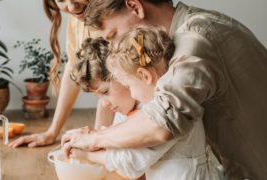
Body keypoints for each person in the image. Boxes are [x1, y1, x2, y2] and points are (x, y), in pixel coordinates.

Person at [61, 0, 267, 179]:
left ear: (134, 6)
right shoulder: (180, 39)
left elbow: (161, 122)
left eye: (113, 35)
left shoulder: (196, 38)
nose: (114, 48)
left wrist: (92, 139)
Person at [67, 28, 223, 179]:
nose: (104, 103)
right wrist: (89, 140)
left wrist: (85, 154)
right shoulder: (129, 109)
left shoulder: (162, 109)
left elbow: (130, 163)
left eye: (105, 92)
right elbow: (121, 148)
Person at [8, 0, 117, 148]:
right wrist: (52, 132)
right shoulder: (77, 18)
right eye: (61, 0)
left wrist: (97, 139)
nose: (72, 7)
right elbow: (73, 70)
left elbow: (112, 85)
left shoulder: (115, 16)